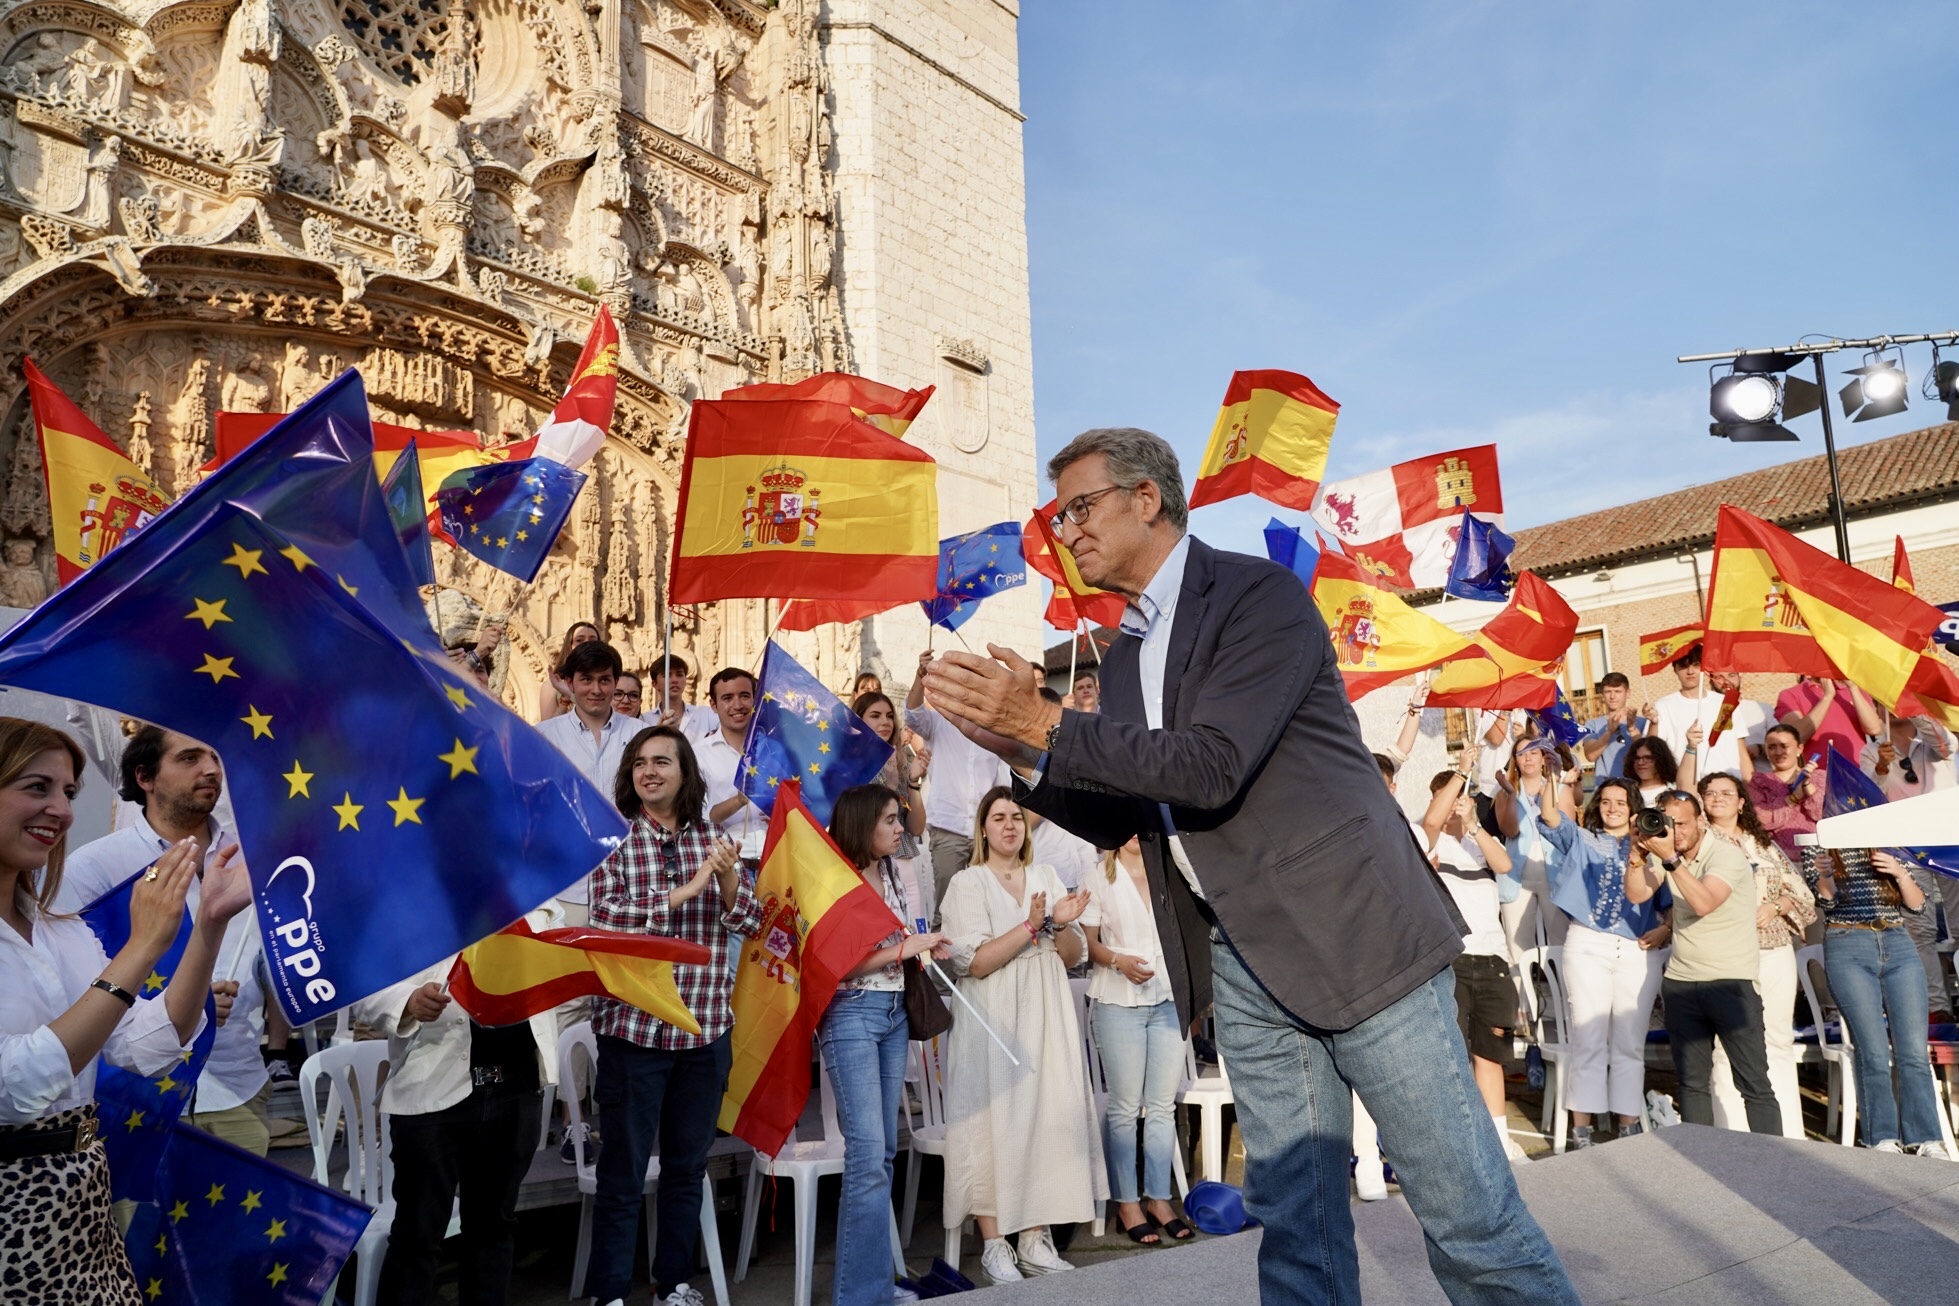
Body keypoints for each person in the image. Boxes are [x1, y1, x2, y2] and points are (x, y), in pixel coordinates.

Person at [923, 427, 1576, 1304]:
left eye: (1077, 507)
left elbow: (1210, 764)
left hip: (1355, 938)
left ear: (1144, 498)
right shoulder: (1122, 657)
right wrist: (1022, 748)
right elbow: (1133, 813)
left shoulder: (1253, 596)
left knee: (1464, 1213)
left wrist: (1046, 723)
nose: (1064, 531)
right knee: (1294, 1230)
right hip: (1240, 958)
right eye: (1058, 513)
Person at [0, 718, 247, 1303]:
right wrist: (140, 948)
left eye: (67, 792)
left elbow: (144, 1046)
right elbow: (19, 1087)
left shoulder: (54, 930)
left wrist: (207, 926)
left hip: (82, 1198)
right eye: (37, 787)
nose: (59, 810)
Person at [587, 726, 760, 1306]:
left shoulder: (713, 839)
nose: (649, 771)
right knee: (623, 1174)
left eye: (662, 761)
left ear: (685, 772)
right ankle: (610, 1292)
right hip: (634, 1032)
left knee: (687, 1169)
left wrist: (730, 876)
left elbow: (748, 925)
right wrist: (689, 889)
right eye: (639, 763)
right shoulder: (612, 840)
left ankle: (674, 1284)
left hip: (704, 1027)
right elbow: (608, 920)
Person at [56, 727, 274, 1155]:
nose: (211, 769)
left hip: (236, 1087)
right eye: (189, 758)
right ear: (145, 777)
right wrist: (190, 1001)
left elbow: (275, 958)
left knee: (230, 1222)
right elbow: (69, 989)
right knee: (131, 1221)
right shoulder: (95, 868)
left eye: (214, 756)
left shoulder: (255, 860)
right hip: (134, 1096)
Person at [938, 787, 1106, 1284]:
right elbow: (978, 961)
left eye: (1017, 816)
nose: (1010, 825)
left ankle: (1034, 1238)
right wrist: (1033, 927)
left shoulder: (1047, 875)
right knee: (992, 1120)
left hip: (1045, 1010)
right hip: (994, 1017)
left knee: (1042, 1116)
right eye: (999, 817)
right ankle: (994, 1244)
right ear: (983, 828)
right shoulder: (967, 883)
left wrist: (1061, 925)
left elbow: (1072, 955)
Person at [359, 906, 560, 1306]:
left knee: (494, 1232)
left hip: (517, 1089)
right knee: (418, 1237)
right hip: (431, 1093)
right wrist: (407, 1002)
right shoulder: (407, 898)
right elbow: (362, 984)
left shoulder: (537, 899)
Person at [820, 785, 949, 1306]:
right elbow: (834, 963)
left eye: (900, 819)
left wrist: (925, 943)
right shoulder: (835, 878)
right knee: (869, 1156)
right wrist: (903, 949)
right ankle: (858, 1296)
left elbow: (903, 941)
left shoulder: (896, 871)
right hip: (852, 1014)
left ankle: (873, 1286)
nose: (901, 828)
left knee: (881, 1158)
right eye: (892, 821)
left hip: (894, 1013)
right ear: (862, 823)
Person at [1622, 790, 1779, 1134]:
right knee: (1691, 1084)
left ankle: (1776, 1170)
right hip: (1681, 982)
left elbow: (1704, 902)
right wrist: (1637, 855)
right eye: (1668, 823)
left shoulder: (1726, 856)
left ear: (1701, 821)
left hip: (1731, 983)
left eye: (1682, 824)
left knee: (1754, 1085)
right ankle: (1703, 1166)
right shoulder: (1667, 854)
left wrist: (1669, 860)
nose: (1674, 832)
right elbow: (1636, 894)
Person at [1534, 775, 1671, 1147]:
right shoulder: (1582, 838)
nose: (1612, 808)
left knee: (1629, 1042)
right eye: (1606, 801)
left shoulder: (1651, 846)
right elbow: (1548, 816)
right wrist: (1555, 776)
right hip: (1587, 944)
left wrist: (1665, 930)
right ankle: (1582, 1129)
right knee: (1588, 1037)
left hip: (1637, 949)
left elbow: (1671, 901)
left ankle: (1627, 1126)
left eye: (1621, 803)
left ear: (1634, 809)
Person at [1803, 842, 1949, 1158]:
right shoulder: (1818, 846)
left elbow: (1918, 906)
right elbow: (1826, 901)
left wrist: (1898, 871)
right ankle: (1881, 1137)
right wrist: (1826, 873)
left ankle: (1925, 1138)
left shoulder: (1887, 843)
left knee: (1913, 1050)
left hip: (1897, 939)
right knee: (1872, 1050)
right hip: (1846, 941)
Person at [1081, 836, 1189, 1243]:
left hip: (1167, 998)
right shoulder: (1097, 874)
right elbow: (1087, 945)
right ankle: (1127, 1203)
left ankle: (1159, 1199)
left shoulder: (1169, 872)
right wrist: (1118, 960)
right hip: (1118, 999)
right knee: (1126, 1108)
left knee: (1162, 1105)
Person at [1420, 764, 1530, 1163]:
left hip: (1493, 960)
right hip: (1451, 960)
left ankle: (1498, 1142)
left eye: (1460, 799)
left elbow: (1504, 866)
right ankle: (1454, 1145)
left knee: (1490, 1055)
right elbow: (1430, 827)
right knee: (1451, 1054)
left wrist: (1474, 825)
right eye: (1448, 799)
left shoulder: (1476, 840)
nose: (1454, 807)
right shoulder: (1426, 839)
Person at [1698, 773, 1814, 1139]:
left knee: (1777, 1041)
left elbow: (1804, 895)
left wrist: (1777, 905)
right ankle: (1733, 1134)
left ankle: (1789, 1136)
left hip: (1774, 948)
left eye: (1726, 793)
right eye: (1710, 793)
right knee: (1724, 1044)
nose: (1717, 798)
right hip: (1724, 953)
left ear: (1741, 802)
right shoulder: (1698, 845)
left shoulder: (1760, 844)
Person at [536, 640, 642, 924]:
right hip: (565, 887)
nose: (596, 690)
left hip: (630, 884)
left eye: (604, 680)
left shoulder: (643, 736)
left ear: (615, 682)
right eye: (586, 680)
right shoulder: (543, 737)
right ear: (570, 683)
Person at [1863, 714, 1959, 1019]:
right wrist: (1881, 765)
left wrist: (1916, 709)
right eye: (1882, 700)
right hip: (1905, 844)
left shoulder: (1930, 734)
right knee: (1920, 929)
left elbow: (1946, 748)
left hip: (1949, 839)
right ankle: (1937, 1008)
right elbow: (1868, 797)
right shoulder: (1873, 749)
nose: (1890, 706)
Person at [904, 649, 1008, 926]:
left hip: (984, 834)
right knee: (947, 910)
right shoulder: (939, 722)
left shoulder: (995, 731)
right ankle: (946, 969)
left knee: (984, 910)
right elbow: (912, 716)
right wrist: (919, 677)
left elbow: (1001, 785)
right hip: (948, 831)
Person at [1494, 736, 1578, 955]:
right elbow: (1510, 831)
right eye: (1521, 754)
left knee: (1562, 940)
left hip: (1555, 871)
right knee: (1516, 944)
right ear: (1515, 760)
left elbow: (1567, 833)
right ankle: (1522, 989)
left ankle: (1562, 988)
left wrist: (1548, 796)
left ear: (1543, 758)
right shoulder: (1504, 793)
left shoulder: (1561, 790)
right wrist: (1512, 796)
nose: (1528, 758)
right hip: (1516, 875)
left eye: (1533, 752)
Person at [853, 691, 930, 915]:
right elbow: (862, 822)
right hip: (867, 866)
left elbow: (915, 827)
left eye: (889, 715)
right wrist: (890, 785)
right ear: (858, 720)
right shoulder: (850, 765)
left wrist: (913, 781)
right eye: (875, 716)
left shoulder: (900, 758)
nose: (885, 722)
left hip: (903, 864)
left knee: (914, 935)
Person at [1649, 649, 1766, 783]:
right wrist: (1653, 723)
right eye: (1683, 666)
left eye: (1696, 665)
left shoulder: (1726, 702)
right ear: (1675, 670)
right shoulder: (1664, 705)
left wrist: (1751, 786)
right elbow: (1653, 749)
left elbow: (1741, 751)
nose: (1690, 672)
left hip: (1729, 783)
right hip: (1687, 786)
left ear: (1704, 668)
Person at [696, 667, 762, 840]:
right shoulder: (698, 754)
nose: (738, 705)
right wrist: (738, 800)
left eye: (745, 696)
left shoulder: (776, 749)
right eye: (727, 698)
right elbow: (699, 817)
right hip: (726, 860)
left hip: (774, 858)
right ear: (713, 705)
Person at [1748, 724, 1825, 860]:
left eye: (1784, 746)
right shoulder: (1758, 782)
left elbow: (1822, 814)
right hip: (1779, 860)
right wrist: (1793, 798)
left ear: (1799, 748)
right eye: (1772, 747)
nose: (1778, 752)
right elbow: (1761, 819)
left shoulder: (1819, 777)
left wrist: (1807, 784)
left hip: (1819, 859)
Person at [1775, 675, 1882, 763]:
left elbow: (1874, 729)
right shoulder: (1790, 694)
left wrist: (1853, 688)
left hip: (1859, 771)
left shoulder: (1855, 690)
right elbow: (1797, 736)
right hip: (1819, 776)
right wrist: (1827, 697)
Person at [1580, 671, 1646, 784]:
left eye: (1617, 691)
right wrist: (1609, 732)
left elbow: (1647, 756)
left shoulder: (1642, 723)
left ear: (1628, 693)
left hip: (1636, 788)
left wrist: (1631, 728)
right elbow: (1591, 756)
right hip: (1606, 789)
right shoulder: (1592, 724)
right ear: (1602, 694)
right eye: (1608, 692)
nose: (1612, 696)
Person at [539, 620, 601, 720]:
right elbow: (547, 730)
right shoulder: (552, 686)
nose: (587, 644)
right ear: (570, 645)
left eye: (592, 640)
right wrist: (565, 700)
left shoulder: (607, 683)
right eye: (579, 640)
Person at [652, 652, 719, 740]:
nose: (674, 680)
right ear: (654, 684)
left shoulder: (707, 715)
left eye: (679, 675)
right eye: (668, 675)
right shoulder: (644, 720)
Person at [1620, 735, 1678, 808]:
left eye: (1648, 758)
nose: (1640, 763)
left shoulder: (1675, 792)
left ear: (1661, 760)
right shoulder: (1624, 793)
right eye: (1637, 758)